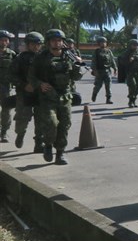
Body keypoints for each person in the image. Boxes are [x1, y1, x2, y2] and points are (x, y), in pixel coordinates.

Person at [28, 29, 83, 165]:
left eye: (59, 41)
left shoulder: (69, 56)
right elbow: (31, 76)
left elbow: (76, 76)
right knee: (52, 123)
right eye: (53, 41)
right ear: (48, 42)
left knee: (64, 125)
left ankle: (60, 153)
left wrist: (77, 64)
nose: (57, 43)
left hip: (65, 97)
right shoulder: (41, 57)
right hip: (48, 97)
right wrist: (40, 84)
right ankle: (48, 145)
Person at [10, 32, 44, 152]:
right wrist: (24, 86)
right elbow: (13, 76)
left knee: (41, 119)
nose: (36, 46)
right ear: (28, 44)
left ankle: (39, 143)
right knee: (22, 118)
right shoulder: (20, 58)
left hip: (40, 93)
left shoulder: (44, 58)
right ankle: (20, 134)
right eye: (33, 44)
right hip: (25, 93)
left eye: (38, 44)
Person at [119, 39, 138, 107]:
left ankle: (134, 100)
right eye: (134, 45)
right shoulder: (126, 53)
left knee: (137, 87)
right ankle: (130, 101)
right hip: (130, 72)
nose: (135, 47)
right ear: (130, 45)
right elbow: (122, 62)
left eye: (136, 45)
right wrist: (129, 60)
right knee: (132, 86)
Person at [0, 30, 16, 142]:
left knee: (6, 110)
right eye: (2, 40)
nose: (4, 42)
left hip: (5, 87)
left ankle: (4, 133)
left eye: (6, 40)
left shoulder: (12, 54)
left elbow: (17, 70)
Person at [91, 36, 117, 104]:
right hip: (99, 71)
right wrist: (94, 70)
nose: (103, 44)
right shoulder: (96, 52)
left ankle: (108, 99)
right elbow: (94, 61)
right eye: (102, 42)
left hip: (107, 71)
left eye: (104, 42)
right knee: (98, 86)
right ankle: (94, 94)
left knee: (108, 86)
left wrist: (115, 68)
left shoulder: (108, 51)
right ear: (99, 43)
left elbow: (112, 60)